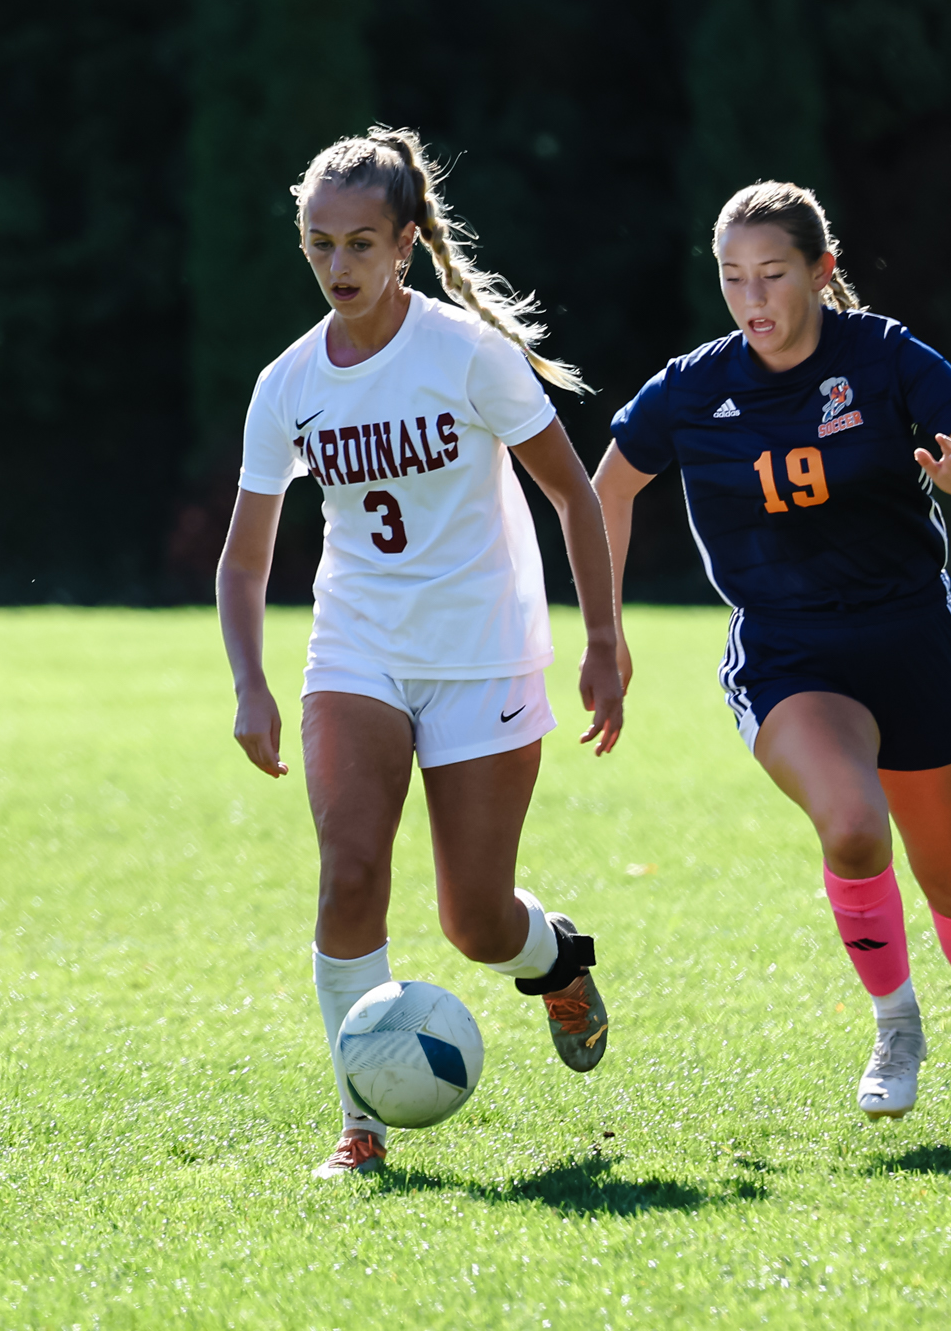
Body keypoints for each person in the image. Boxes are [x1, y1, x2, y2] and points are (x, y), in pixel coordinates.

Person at [592, 181, 951, 1128]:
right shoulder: (693, 387)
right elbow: (606, 489)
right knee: (853, 824)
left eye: (773, 274)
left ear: (823, 270)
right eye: (733, 279)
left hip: (910, 639)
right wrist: (605, 636)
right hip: (787, 650)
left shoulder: (885, 356)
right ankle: (897, 1027)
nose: (753, 300)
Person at [217, 127, 624, 1178]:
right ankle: (360, 1118)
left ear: (404, 243)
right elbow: (243, 557)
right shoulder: (287, 383)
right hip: (356, 647)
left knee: (475, 923)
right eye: (318, 245)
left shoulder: (465, 353)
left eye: (359, 244)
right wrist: (251, 683)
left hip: (481, 652)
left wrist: (603, 638)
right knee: (349, 873)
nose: (338, 267)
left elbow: (572, 493)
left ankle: (555, 956)